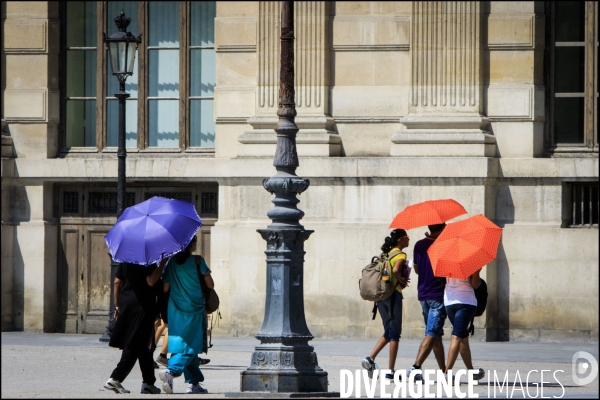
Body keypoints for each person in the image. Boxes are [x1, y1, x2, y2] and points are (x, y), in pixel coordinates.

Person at [159, 235, 214, 394]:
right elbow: (210, 284)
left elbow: (165, 288)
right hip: (195, 308)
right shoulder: (198, 261)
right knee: (192, 343)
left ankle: (194, 382)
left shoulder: (171, 263)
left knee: (181, 340)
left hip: (175, 308)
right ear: (192, 244)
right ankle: (172, 371)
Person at [104, 259, 166, 394]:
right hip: (142, 308)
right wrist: (161, 264)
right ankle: (115, 378)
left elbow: (116, 282)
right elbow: (151, 281)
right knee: (134, 344)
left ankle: (148, 383)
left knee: (144, 346)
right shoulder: (147, 262)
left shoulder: (125, 261)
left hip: (127, 305)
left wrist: (117, 306)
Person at [361, 229, 410, 380]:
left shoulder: (386, 254)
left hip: (381, 296)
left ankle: (370, 359)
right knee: (395, 334)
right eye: (407, 237)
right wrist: (401, 279)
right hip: (393, 295)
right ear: (401, 240)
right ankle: (390, 371)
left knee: (388, 331)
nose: (409, 240)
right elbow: (395, 270)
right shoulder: (400, 255)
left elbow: (385, 273)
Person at [407, 223, 448, 380]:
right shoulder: (443, 246)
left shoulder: (419, 244)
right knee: (432, 333)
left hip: (423, 293)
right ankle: (416, 367)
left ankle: (444, 371)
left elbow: (416, 269)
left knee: (436, 334)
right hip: (438, 294)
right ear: (442, 228)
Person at [443, 268, 485, 382]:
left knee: (463, 337)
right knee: (457, 336)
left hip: (449, 301)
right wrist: (476, 271)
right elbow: (475, 285)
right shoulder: (469, 263)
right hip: (465, 301)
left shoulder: (448, 260)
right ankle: (447, 373)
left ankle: (471, 372)